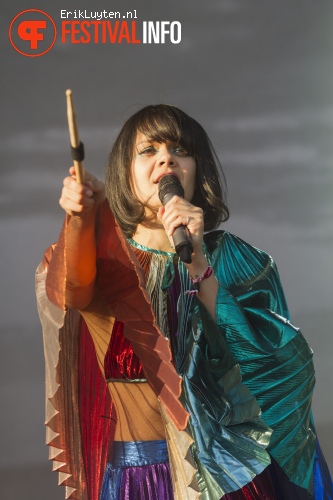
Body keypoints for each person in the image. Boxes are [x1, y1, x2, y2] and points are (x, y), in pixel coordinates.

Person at [36, 104, 333, 500]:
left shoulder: (236, 261)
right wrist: (80, 218)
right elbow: (72, 291)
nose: (166, 158)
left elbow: (277, 367)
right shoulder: (106, 261)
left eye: (180, 149)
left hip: (229, 477)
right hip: (139, 483)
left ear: (198, 169)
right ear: (125, 173)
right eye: (149, 150)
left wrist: (200, 266)